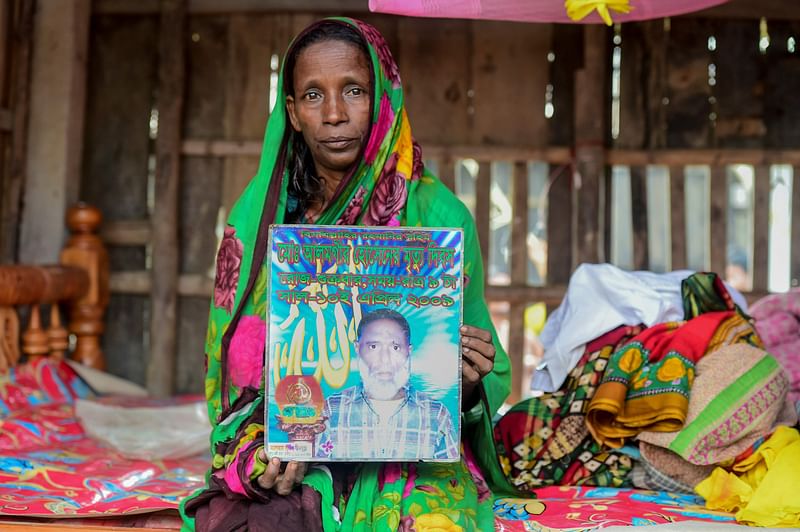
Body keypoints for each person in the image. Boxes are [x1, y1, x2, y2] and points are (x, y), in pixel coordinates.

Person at [181, 17, 512, 531]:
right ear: (292, 112)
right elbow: (234, 364)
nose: (334, 114)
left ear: (382, 97)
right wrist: (261, 438)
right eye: (313, 96)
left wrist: (466, 381)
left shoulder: (441, 218)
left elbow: (474, 380)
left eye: (353, 90)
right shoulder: (263, 220)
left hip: (412, 454)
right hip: (292, 450)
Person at [316, 308, 458, 460]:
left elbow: (448, 478)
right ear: (357, 348)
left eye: (395, 347)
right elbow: (319, 471)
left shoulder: (436, 414)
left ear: (408, 351)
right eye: (373, 347)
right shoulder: (331, 409)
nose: (385, 359)